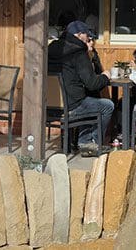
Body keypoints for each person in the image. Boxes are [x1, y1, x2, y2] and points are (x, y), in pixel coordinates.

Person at [47, 20, 114, 157]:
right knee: (107, 106)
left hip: (49, 106)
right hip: (73, 106)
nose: (88, 39)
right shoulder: (78, 52)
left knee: (90, 101)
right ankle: (89, 142)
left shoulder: (51, 48)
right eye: (87, 36)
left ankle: (82, 141)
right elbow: (92, 84)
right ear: (79, 35)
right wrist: (106, 76)